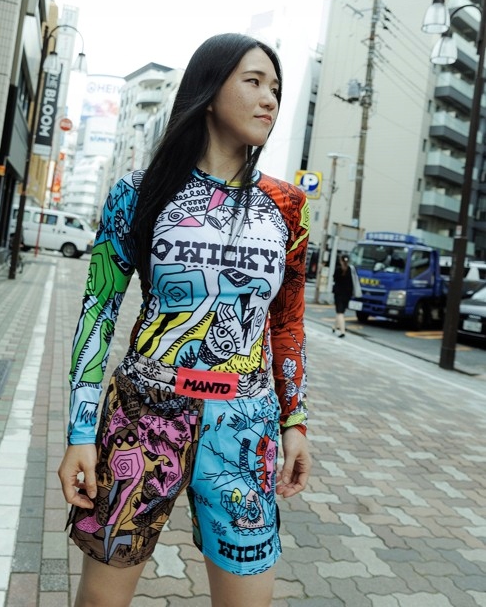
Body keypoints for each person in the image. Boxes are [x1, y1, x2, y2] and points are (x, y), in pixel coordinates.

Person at [58, 33, 312, 607]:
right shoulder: (137, 193)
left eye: (276, 88)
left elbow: (287, 323)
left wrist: (294, 421)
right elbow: (98, 313)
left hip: (244, 428)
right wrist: (79, 433)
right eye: (253, 82)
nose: (269, 99)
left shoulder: (288, 207)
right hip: (142, 417)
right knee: (101, 601)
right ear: (209, 90)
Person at [332, 254, 354, 338]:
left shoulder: (338, 269)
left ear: (341, 260)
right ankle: (334, 327)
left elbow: (335, 279)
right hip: (347, 295)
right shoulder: (350, 270)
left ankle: (342, 331)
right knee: (341, 312)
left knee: (339, 312)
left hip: (339, 294)